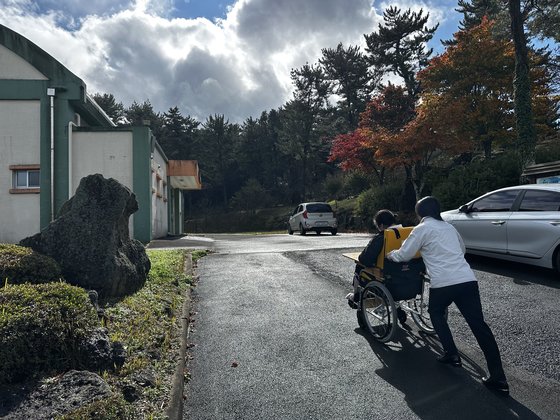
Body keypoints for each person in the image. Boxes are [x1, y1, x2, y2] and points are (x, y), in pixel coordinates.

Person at [386, 196, 509, 394]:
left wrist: (390, 255)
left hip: (443, 283)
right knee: (479, 326)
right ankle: (498, 376)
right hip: (467, 280)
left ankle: (451, 353)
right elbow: (462, 249)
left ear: (421, 213)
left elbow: (404, 255)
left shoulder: (422, 229)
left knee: (436, 312)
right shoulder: (449, 227)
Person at [346, 209, 408, 325]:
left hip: (386, 275)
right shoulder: (407, 233)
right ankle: (397, 307)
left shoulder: (382, 237)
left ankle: (356, 296)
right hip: (408, 273)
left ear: (381, 225)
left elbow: (365, 259)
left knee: (359, 267)